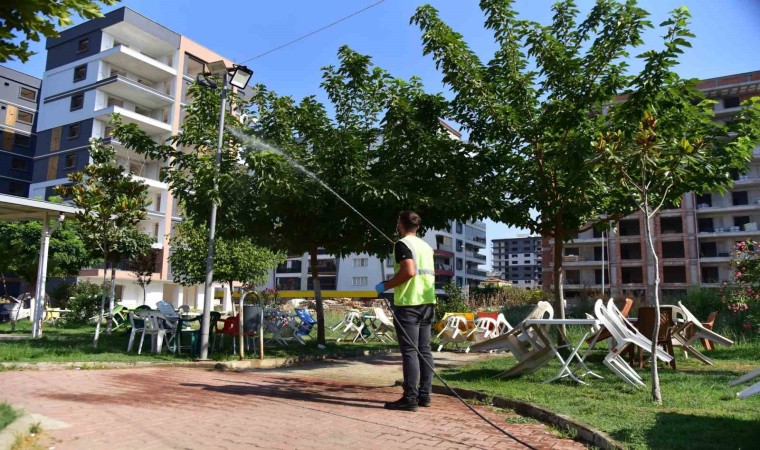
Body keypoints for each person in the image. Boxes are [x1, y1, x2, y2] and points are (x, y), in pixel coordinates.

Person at [375, 211, 436, 412]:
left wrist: (386, 285)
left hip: (409, 305)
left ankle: (410, 398)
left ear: (400, 224)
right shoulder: (426, 246)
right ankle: (424, 396)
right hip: (427, 303)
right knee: (424, 350)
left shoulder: (402, 244)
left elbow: (409, 271)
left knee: (410, 351)